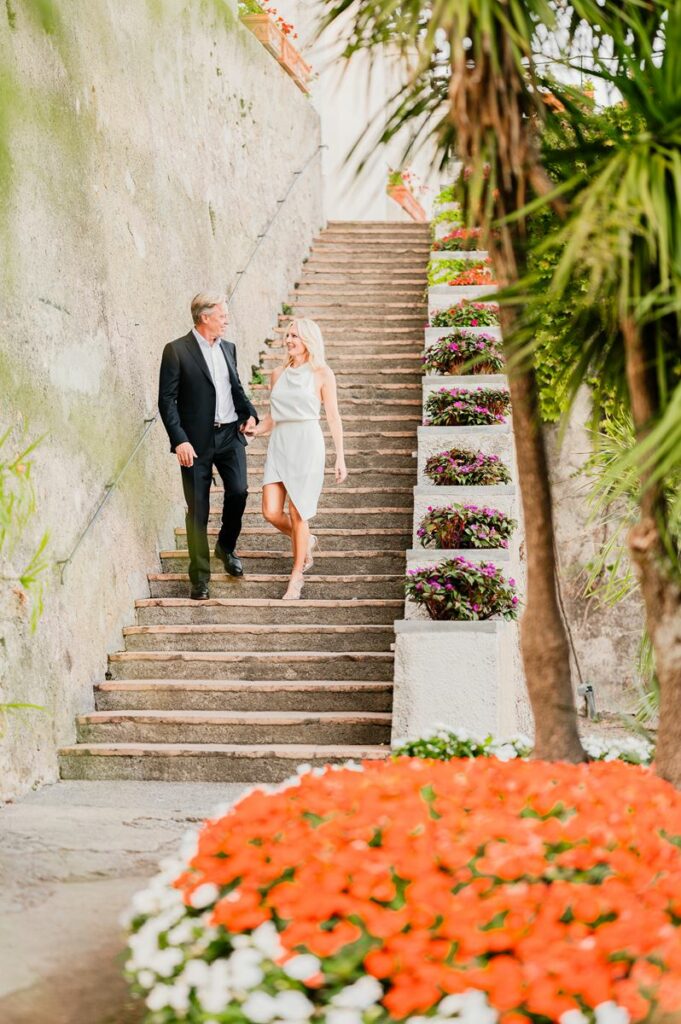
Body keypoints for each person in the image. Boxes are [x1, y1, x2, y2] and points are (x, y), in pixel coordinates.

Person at [158, 294, 258, 600]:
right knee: (198, 509)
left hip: (229, 436)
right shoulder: (176, 350)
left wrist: (250, 415)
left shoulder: (229, 348)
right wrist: (180, 440)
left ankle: (225, 548)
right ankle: (199, 576)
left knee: (239, 491)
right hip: (195, 443)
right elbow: (167, 400)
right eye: (222, 316)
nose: (227, 320)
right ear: (205, 318)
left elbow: (236, 388)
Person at [247, 318, 347, 600]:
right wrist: (253, 430)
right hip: (280, 445)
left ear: (309, 341)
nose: (289, 340)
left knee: (298, 512)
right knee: (270, 511)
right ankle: (307, 541)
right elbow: (272, 418)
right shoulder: (278, 374)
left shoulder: (322, 373)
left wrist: (340, 457)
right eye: (288, 335)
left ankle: (296, 576)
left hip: (307, 444)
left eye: (296, 336)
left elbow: (333, 417)